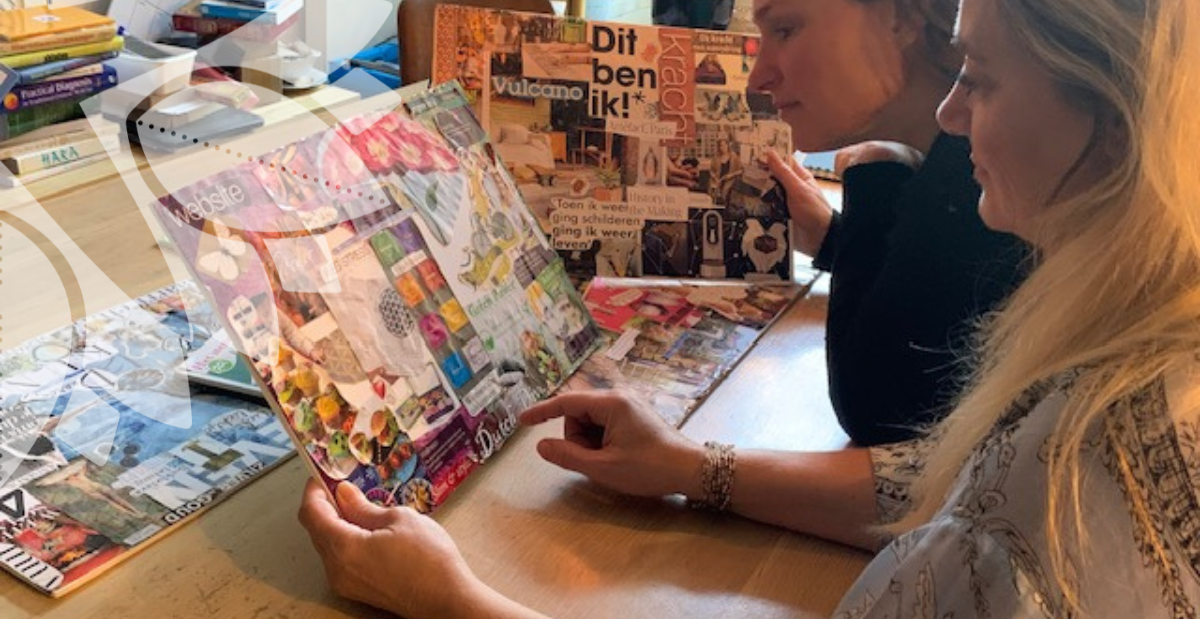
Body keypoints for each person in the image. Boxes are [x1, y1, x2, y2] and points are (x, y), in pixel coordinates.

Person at [299, 0, 1200, 617]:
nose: (953, 114)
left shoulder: (1100, 459)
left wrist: (450, 601)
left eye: (984, 77)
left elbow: (922, 441)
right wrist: (691, 465)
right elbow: (946, 475)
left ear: (1119, 118)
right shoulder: (1128, 338)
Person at [752, 0, 1026, 446]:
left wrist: (874, 173)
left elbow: (878, 409)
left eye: (784, 30)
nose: (758, 77)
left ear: (900, 20)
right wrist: (833, 241)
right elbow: (940, 303)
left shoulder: (984, 178)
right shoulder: (949, 161)